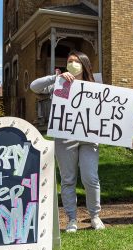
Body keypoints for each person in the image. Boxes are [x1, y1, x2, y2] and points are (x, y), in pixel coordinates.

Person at [30, 50, 105, 232]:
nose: (72, 64)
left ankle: (94, 216)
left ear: (84, 64)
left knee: (91, 178)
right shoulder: (60, 83)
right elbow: (34, 87)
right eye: (70, 61)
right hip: (65, 138)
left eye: (76, 61)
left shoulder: (95, 84)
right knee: (68, 179)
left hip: (89, 138)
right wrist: (54, 77)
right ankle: (72, 219)